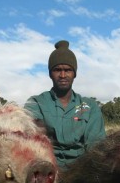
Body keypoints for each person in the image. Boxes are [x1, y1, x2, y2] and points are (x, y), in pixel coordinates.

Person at [24, 40, 106, 169]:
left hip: (80, 171)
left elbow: (95, 146)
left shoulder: (89, 106)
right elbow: (33, 141)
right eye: (57, 70)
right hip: (46, 169)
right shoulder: (36, 103)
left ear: (74, 74)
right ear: (50, 74)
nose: (62, 75)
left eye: (68, 70)